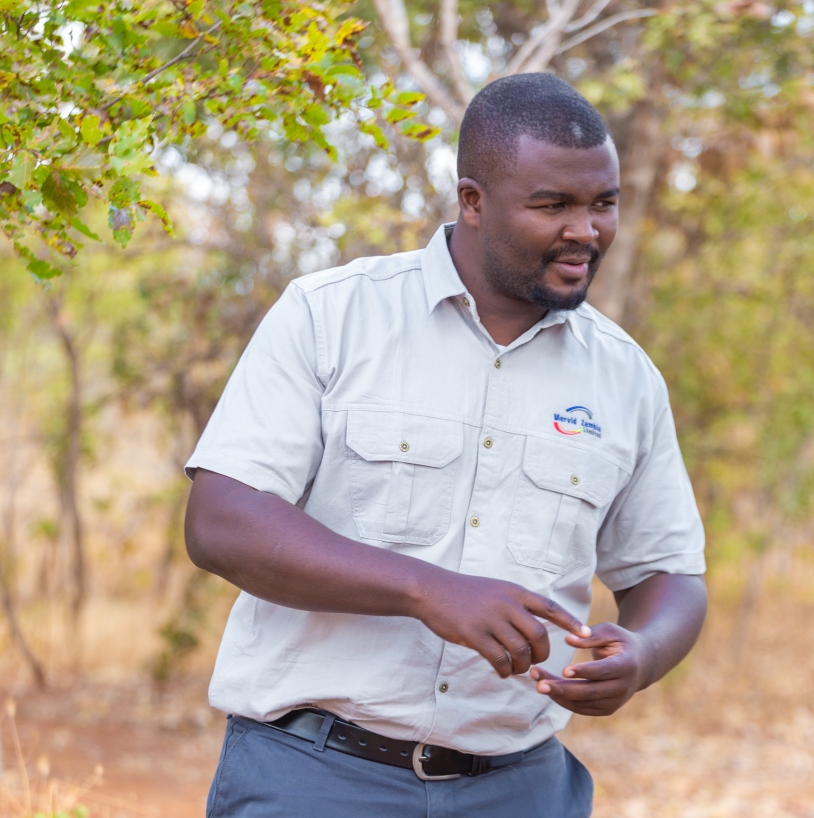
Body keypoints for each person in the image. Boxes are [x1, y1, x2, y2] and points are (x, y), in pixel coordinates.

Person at [184, 73, 707, 818]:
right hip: (313, 776)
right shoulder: (332, 318)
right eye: (553, 205)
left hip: (521, 788)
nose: (586, 231)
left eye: (604, 203)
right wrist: (428, 591)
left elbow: (668, 572)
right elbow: (221, 520)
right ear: (472, 201)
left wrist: (645, 653)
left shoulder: (625, 378)